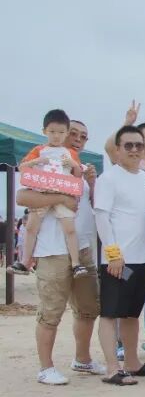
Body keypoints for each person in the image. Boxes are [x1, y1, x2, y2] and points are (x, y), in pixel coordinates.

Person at [19, 118, 105, 385]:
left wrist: (91, 182)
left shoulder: (79, 168)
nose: (78, 139)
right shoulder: (44, 162)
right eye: (73, 133)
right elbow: (23, 197)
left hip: (83, 250)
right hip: (52, 250)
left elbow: (92, 206)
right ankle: (46, 367)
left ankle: (82, 359)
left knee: (88, 308)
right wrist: (60, 198)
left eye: (83, 136)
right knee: (51, 311)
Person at [94, 125, 145, 385]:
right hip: (117, 261)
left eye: (138, 145)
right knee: (110, 313)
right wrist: (113, 254)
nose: (134, 150)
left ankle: (132, 362)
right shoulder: (109, 178)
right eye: (128, 145)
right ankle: (112, 368)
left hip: (142, 260)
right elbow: (101, 216)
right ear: (117, 149)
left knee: (131, 314)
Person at [14, 109, 86, 277]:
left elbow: (78, 175)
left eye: (60, 132)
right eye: (52, 132)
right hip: (42, 194)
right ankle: (25, 262)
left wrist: (73, 164)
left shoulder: (70, 153)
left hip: (63, 194)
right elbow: (23, 168)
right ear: (44, 131)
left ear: (66, 133)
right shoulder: (39, 150)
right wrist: (38, 160)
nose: (56, 136)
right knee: (31, 227)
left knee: (70, 229)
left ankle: (76, 263)